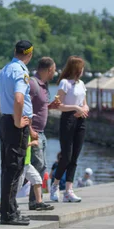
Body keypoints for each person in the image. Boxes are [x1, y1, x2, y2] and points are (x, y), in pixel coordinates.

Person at [0, 40, 34, 226]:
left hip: (6, 121)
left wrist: (3, 111)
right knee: (14, 168)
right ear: (29, 54)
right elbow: (19, 98)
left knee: (8, 167)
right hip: (16, 124)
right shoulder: (21, 71)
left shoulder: (6, 69)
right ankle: (8, 214)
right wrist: (17, 120)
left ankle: (11, 209)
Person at [49, 56, 89, 203]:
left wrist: (83, 109)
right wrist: (75, 108)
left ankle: (69, 190)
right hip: (68, 119)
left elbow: (85, 104)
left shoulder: (82, 84)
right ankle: (55, 185)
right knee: (66, 156)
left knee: (75, 157)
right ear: (76, 68)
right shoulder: (65, 84)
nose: (83, 70)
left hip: (81, 120)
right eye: (82, 67)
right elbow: (58, 105)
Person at [28, 57, 60, 210]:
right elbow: (23, 108)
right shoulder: (33, 84)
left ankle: (35, 201)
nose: (55, 73)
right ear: (48, 70)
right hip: (34, 132)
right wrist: (30, 130)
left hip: (41, 132)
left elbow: (40, 106)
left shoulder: (44, 85)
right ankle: (35, 202)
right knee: (38, 166)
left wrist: (50, 106)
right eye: (54, 70)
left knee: (39, 166)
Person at [21, 135, 54, 211]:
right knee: (17, 186)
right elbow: (18, 146)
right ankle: (9, 204)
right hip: (21, 163)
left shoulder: (27, 130)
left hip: (27, 163)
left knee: (37, 179)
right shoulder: (20, 130)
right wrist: (32, 143)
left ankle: (39, 203)